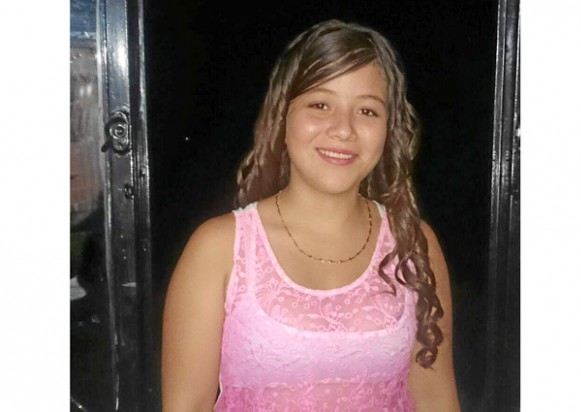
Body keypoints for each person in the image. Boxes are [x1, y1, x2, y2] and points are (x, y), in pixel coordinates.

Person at [162, 19, 461, 411]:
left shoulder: (412, 246)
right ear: (282, 116)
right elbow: (186, 405)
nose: (343, 129)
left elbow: (436, 398)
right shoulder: (220, 248)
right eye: (320, 105)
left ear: (390, 129)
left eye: (367, 111)